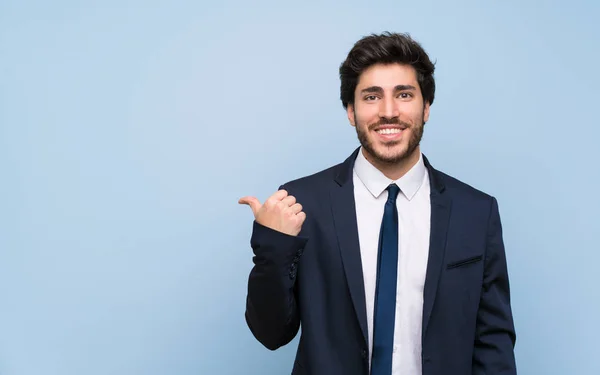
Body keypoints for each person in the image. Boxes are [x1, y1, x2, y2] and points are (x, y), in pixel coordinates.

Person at [238, 32, 517, 375]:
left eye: (404, 94)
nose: (389, 112)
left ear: (426, 107)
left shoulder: (476, 212)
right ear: (351, 111)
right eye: (371, 97)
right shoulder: (302, 203)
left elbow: (493, 344)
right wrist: (274, 247)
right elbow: (271, 333)